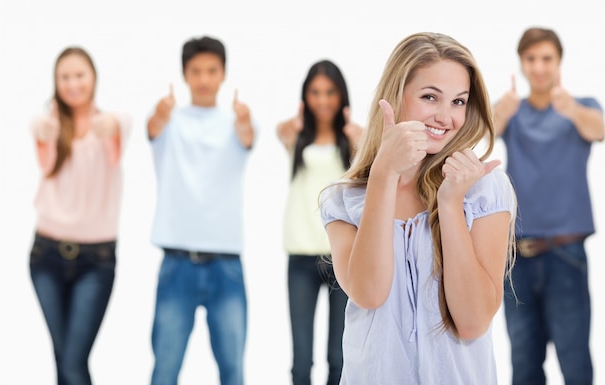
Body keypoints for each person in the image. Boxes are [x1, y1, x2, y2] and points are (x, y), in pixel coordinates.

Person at [319, 32, 517, 384]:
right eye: (430, 97)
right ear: (396, 97)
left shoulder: (483, 189)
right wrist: (383, 174)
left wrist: (451, 203)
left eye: (458, 101)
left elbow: (472, 322)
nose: (445, 117)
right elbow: (369, 292)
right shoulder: (344, 201)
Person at [495, 27, 603, 385]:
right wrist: (501, 111)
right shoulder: (512, 112)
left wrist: (570, 109)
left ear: (558, 63)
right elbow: (479, 135)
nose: (538, 67)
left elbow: (599, 130)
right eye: (531, 59)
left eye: (546, 59)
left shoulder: (581, 107)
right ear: (522, 64)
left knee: (575, 362)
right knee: (523, 363)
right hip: (516, 257)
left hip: (565, 254)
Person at [146, 36, 256, 385]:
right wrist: (160, 114)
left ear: (223, 73)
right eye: (196, 71)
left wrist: (244, 122)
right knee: (165, 369)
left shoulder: (236, 121)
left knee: (233, 371)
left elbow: (247, 137)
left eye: (211, 70)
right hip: (176, 262)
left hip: (226, 264)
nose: (204, 79)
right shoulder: (168, 121)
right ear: (184, 74)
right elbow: (152, 129)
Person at [29, 46, 131, 385]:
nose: (73, 83)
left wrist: (109, 125)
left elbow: (120, 124)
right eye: (65, 77)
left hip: (96, 258)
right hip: (46, 254)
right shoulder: (49, 126)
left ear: (94, 78)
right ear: (55, 83)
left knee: (73, 362)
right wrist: (46, 127)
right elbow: (40, 130)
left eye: (79, 75)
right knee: (63, 360)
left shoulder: (111, 124)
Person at [276, 60, 363, 385]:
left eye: (329, 92)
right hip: (300, 257)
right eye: (315, 93)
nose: (322, 100)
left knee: (339, 357)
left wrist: (363, 145)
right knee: (301, 360)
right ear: (305, 96)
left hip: (341, 257)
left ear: (341, 95)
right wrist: (289, 130)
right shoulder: (294, 137)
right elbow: (280, 131)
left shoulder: (355, 140)